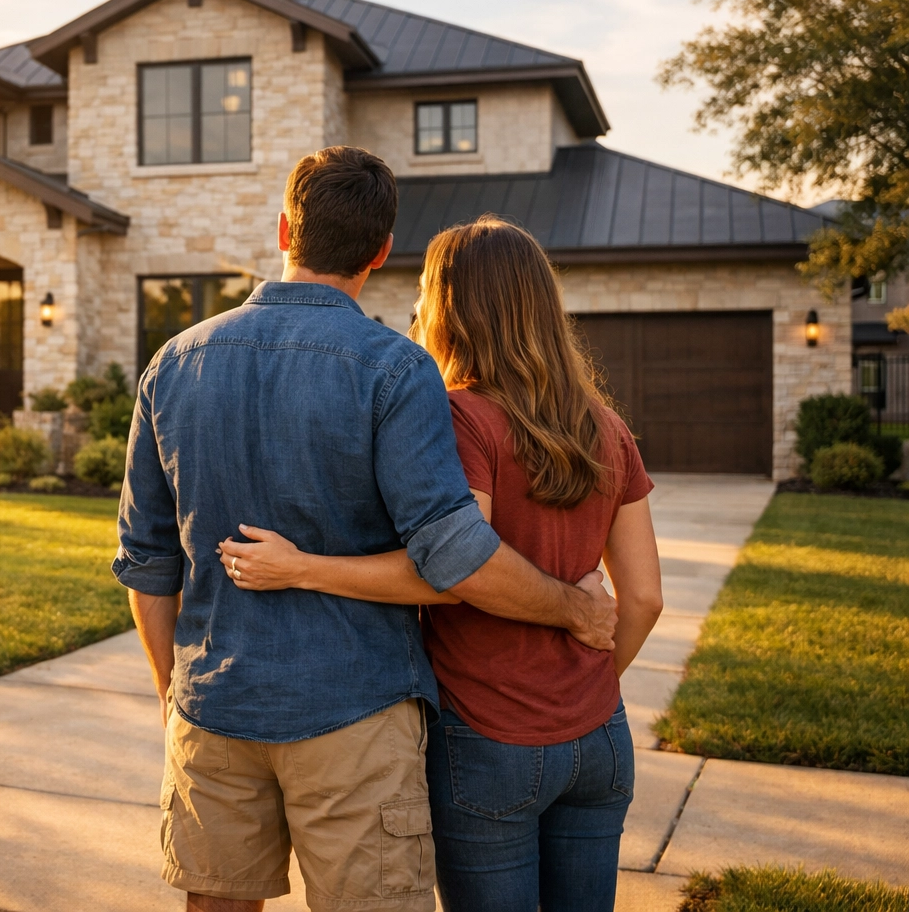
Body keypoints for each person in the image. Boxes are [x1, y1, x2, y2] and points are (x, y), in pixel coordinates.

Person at [114, 148, 619, 912]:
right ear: (380, 253)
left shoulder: (172, 363)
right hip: (356, 718)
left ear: (284, 228)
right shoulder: (396, 369)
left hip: (213, 710)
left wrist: (171, 694)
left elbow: (149, 563)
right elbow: (454, 560)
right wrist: (576, 608)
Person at [219, 216, 664, 912]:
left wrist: (302, 567)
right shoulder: (606, 427)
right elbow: (643, 601)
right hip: (600, 738)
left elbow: (459, 564)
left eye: (429, 293)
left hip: (485, 739)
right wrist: (583, 684)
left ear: (452, 307)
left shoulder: (460, 419)